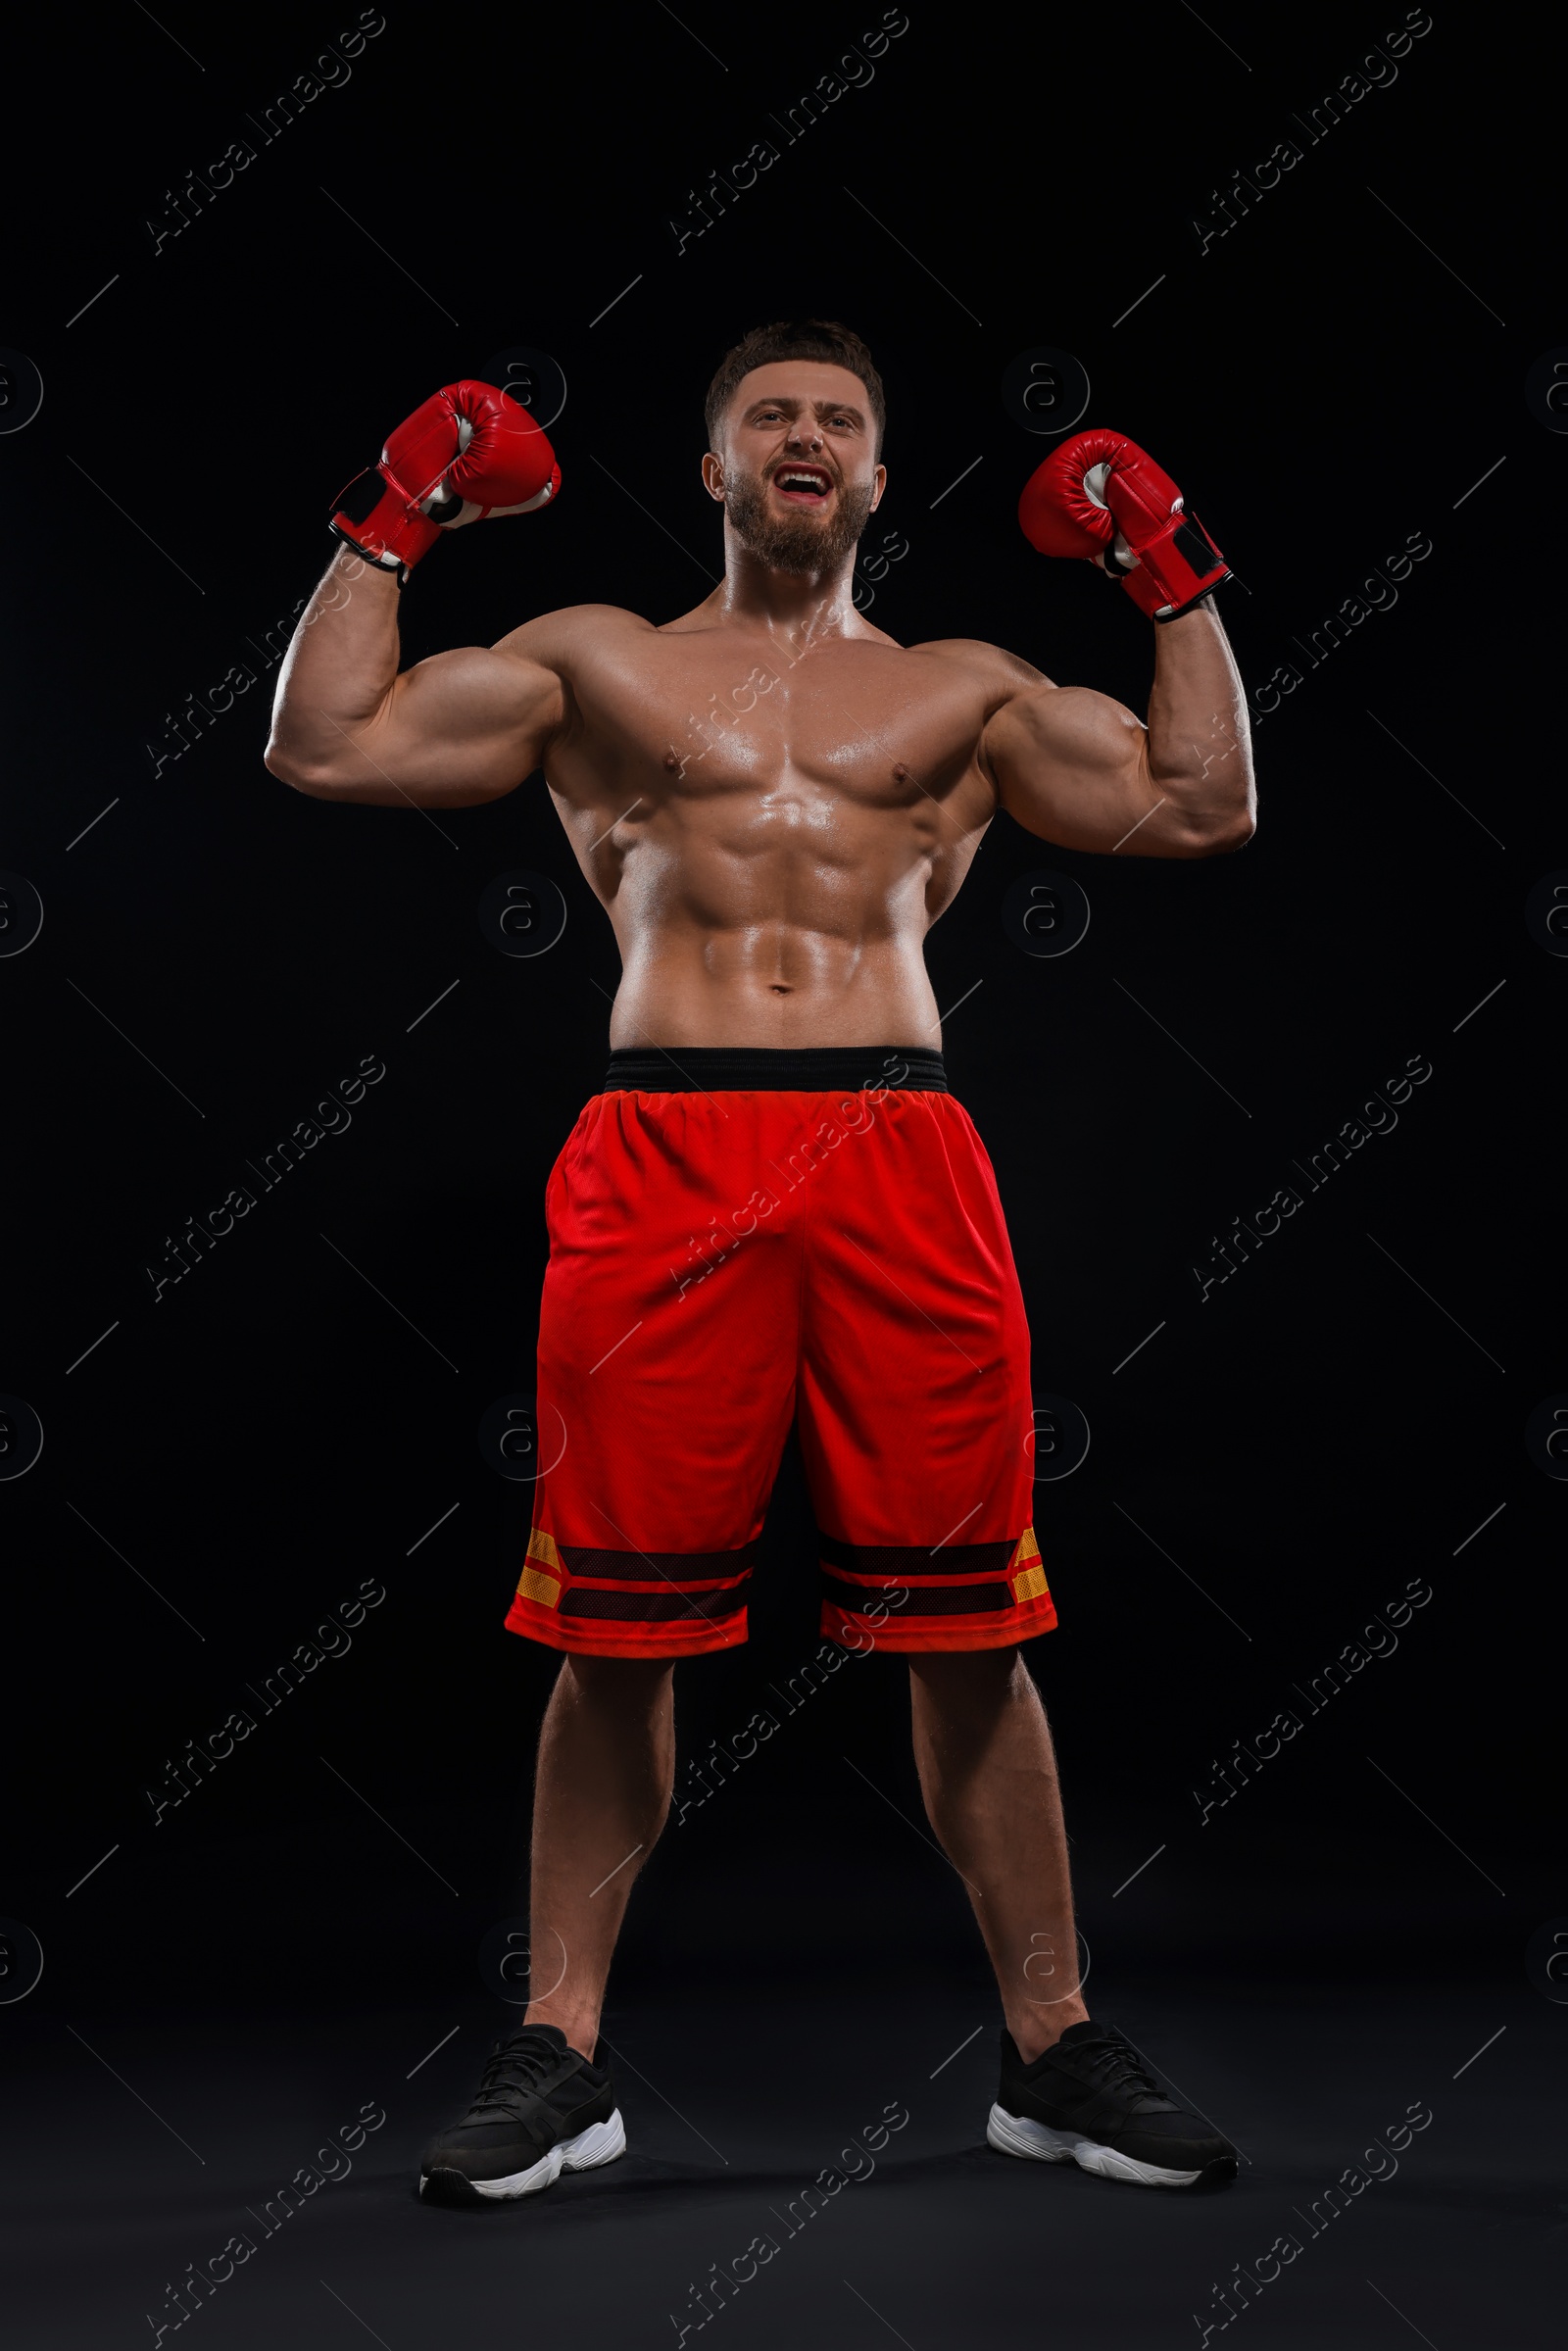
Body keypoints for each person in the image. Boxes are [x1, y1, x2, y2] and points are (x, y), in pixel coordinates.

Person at [266, 318, 1254, 2204]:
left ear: (879, 481)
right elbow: (324, 740)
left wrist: (1171, 567)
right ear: (713, 468)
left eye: (841, 422)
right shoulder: (597, 662)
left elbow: (1204, 799)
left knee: (974, 1632)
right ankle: (560, 2048)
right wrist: (392, 516)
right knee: (608, 1633)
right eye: (770, 418)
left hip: (900, 1148)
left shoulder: (963, 689)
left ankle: (1052, 2048)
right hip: (663, 1151)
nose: (806, 438)